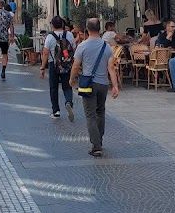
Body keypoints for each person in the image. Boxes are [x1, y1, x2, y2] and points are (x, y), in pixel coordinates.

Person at [70, 18, 119, 157]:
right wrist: (115, 86)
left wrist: (71, 79)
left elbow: (75, 66)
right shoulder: (106, 46)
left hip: (88, 85)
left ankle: (96, 146)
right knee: (100, 112)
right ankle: (100, 140)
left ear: (87, 29)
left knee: (90, 115)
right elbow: (111, 67)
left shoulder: (82, 46)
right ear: (100, 28)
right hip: (103, 84)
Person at [40, 15, 75, 120]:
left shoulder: (50, 37)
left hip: (53, 64)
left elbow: (45, 53)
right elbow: (73, 48)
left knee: (53, 88)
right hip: (66, 64)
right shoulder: (69, 35)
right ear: (63, 24)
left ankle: (56, 111)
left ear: (52, 25)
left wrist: (42, 67)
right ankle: (68, 102)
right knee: (67, 86)